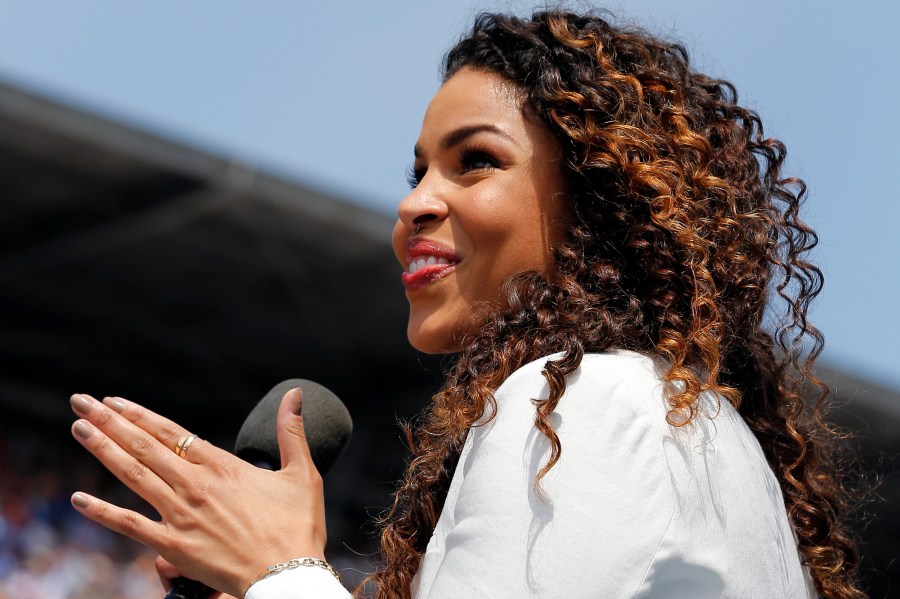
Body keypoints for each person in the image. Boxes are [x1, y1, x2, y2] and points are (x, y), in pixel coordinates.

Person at [66, 9, 865, 599]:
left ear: (599, 200)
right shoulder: (671, 419)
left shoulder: (588, 401)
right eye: (414, 172)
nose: (415, 203)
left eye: (474, 161)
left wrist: (281, 568)